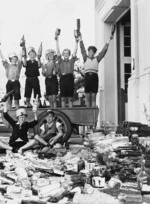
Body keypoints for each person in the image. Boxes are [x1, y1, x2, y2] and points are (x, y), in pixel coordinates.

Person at [79, 28, 115, 107]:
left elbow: (104, 51)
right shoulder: (85, 57)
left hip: (94, 77)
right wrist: (80, 38)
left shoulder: (97, 58)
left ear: (94, 53)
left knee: (93, 97)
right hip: (87, 77)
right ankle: (88, 115)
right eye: (89, 51)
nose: (90, 53)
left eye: (91, 52)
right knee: (88, 97)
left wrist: (109, 39)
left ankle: (93, 116)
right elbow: (82, 48)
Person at [55, 32, 79, 108]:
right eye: (64, 53)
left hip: (70, 78)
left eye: (67, 53)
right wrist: (57, 41)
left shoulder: (71, 61)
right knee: (63, 98)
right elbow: (58, 52)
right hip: (63, 78)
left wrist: (76, 42)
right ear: (63, 54)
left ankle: (70, 112)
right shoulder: (60, 61)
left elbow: (75, 52)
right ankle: (64, 111)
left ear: (69, 54)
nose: (66, 54)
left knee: (70, 98)